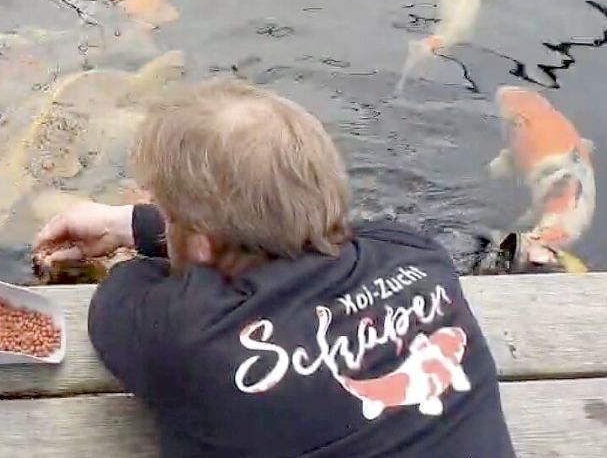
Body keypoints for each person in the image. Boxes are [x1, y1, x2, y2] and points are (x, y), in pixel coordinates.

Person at [33, 80, 516, 457]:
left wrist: (141, 232)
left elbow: (124, 292)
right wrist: (139, 224)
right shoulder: (417, 257)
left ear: (200, 244)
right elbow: (327, 230)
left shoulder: (189, 338)